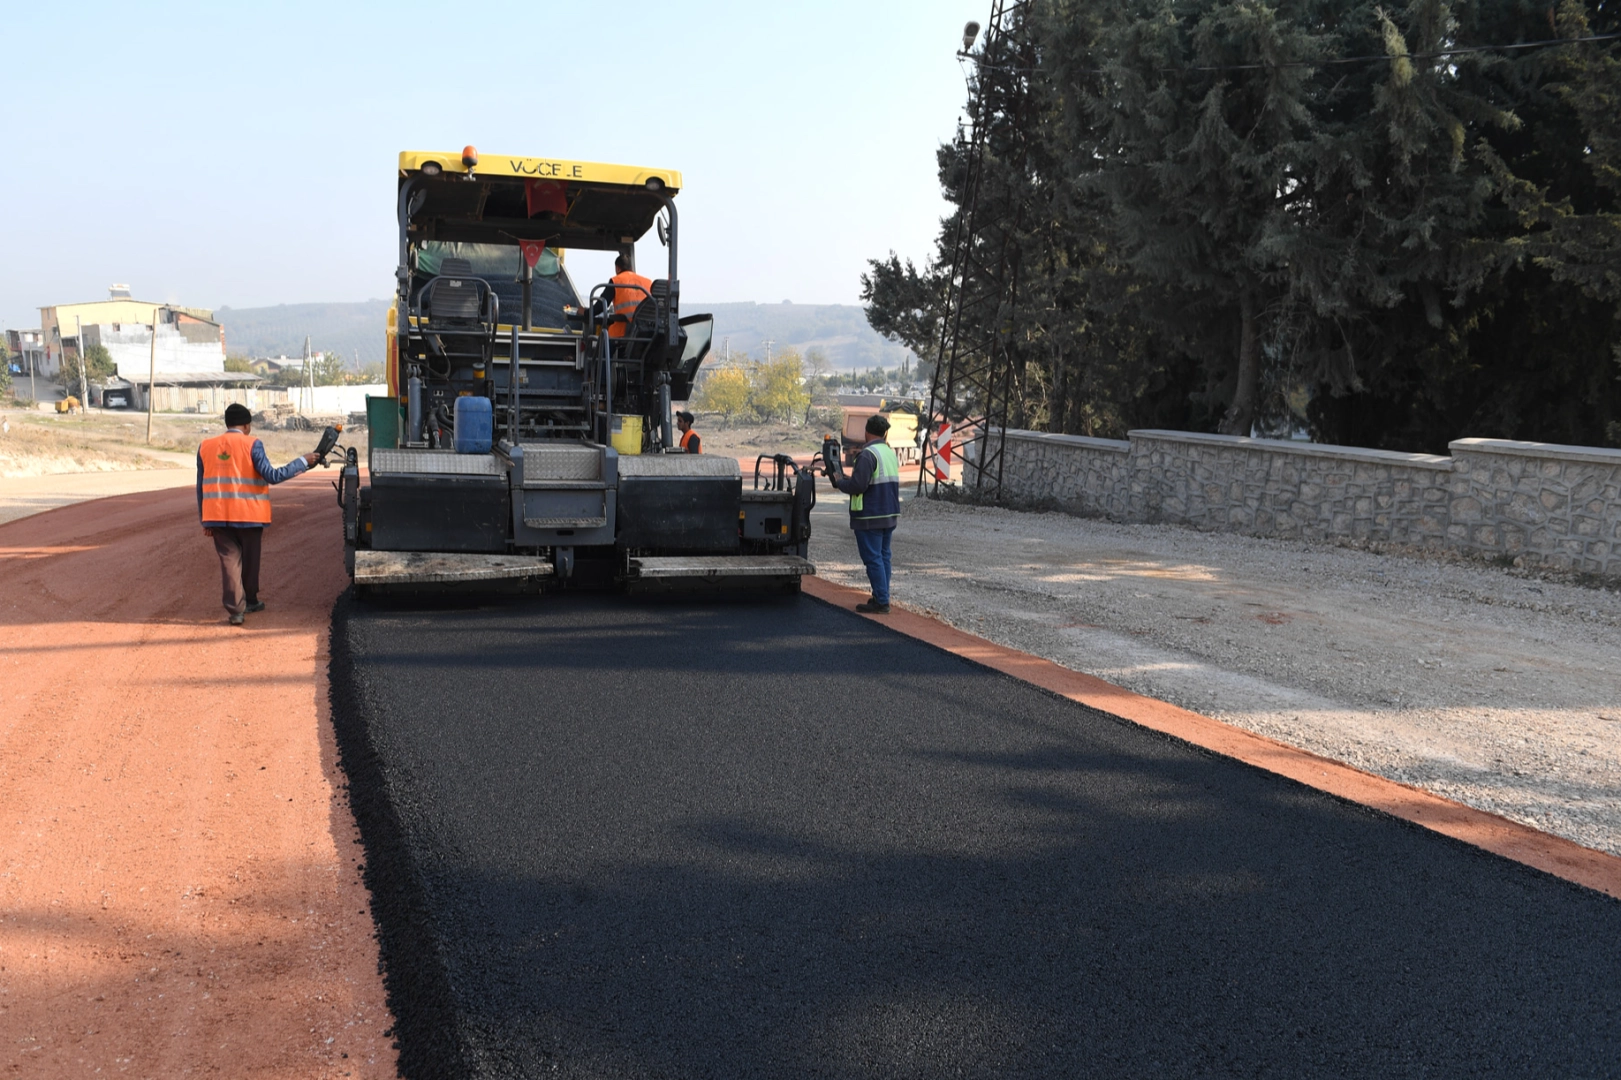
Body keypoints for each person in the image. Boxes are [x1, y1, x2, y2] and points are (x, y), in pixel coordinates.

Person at [198, 404, 318, 626]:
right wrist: (303, 461)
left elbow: (200, 487)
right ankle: (251, 600)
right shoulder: (253, 444)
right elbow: (272, 475)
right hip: (249, 515)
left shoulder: (205, 446)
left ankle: (236, 611)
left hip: (217, 516)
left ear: (227, 423)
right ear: (247, 425)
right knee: (251, 561)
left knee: (229, 562)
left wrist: (204, 519)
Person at [830, 414, 901, 614]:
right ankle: (882, 595)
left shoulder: (867, 454)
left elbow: (858, 485)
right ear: (884, 432)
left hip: (870, 516)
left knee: (873, 558)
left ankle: (881, 601)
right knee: (884, 556)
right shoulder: (888, 453)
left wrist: (839, 482)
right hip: (889, 514)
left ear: (867, 432)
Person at [607, 254, 653, 339]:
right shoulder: (648, 283)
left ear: (617, 268)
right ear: (631, 268)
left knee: (603, 339)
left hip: (622, 333)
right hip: (644, 333)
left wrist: (586, 312)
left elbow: (601, 305)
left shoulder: (615, 281)